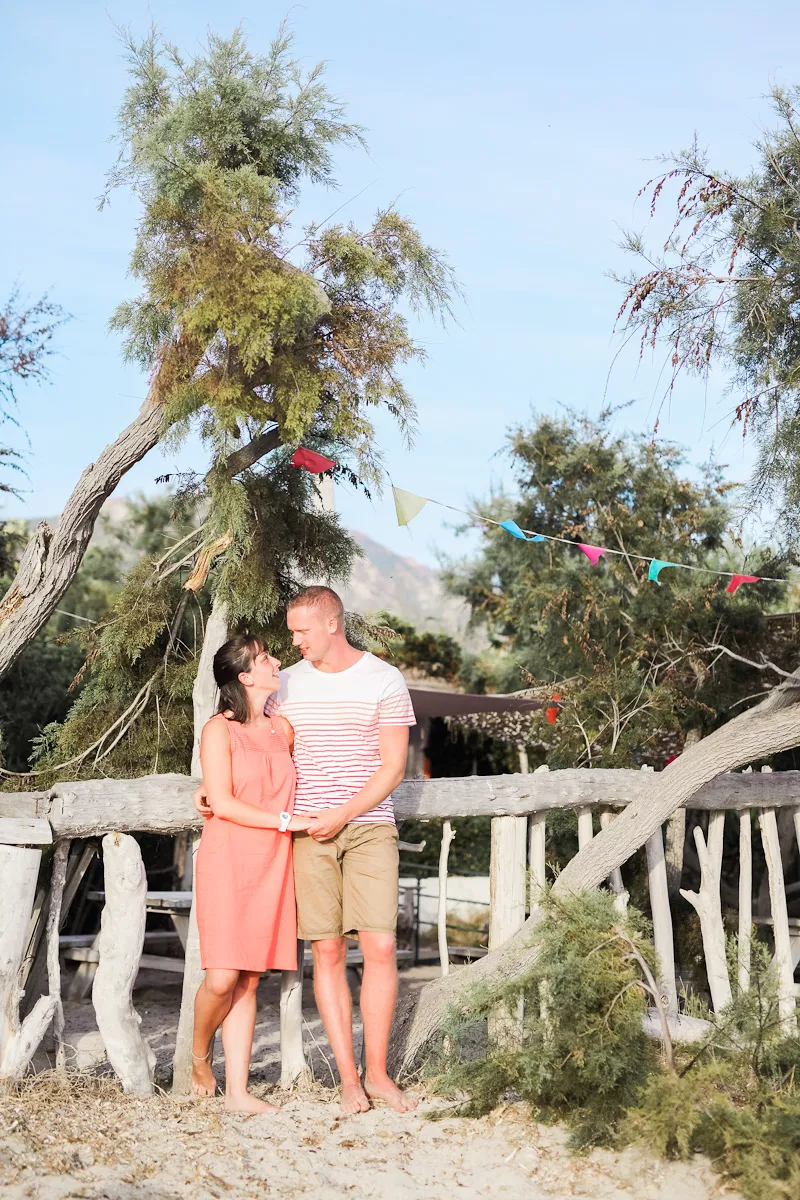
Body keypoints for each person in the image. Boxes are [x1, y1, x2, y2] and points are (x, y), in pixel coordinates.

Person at [194, 586, 417, 1114]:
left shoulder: (384, 679)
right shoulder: (285, 685)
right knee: (328, 951)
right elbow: (240, 734)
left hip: (367, 827)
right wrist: (203, 789)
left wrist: (343, 812)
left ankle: (379, 1074)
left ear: (332, 624)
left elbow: (394, 767)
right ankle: (348, 1081)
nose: (293, 642)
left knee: (381, 947)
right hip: (304, 836)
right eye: (288, 635)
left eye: (301, 631)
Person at [191, 635, 311, 1112]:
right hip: (228, 858)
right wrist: (285, 820)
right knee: (222, 977)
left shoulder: (284, 729)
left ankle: (238, 1092)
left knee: (249, 980)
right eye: (265, 658)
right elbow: (220, 801)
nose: (276, 660)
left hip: (274, 863)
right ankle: (200, 1054)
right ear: (245, 677)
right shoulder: (217, 730)